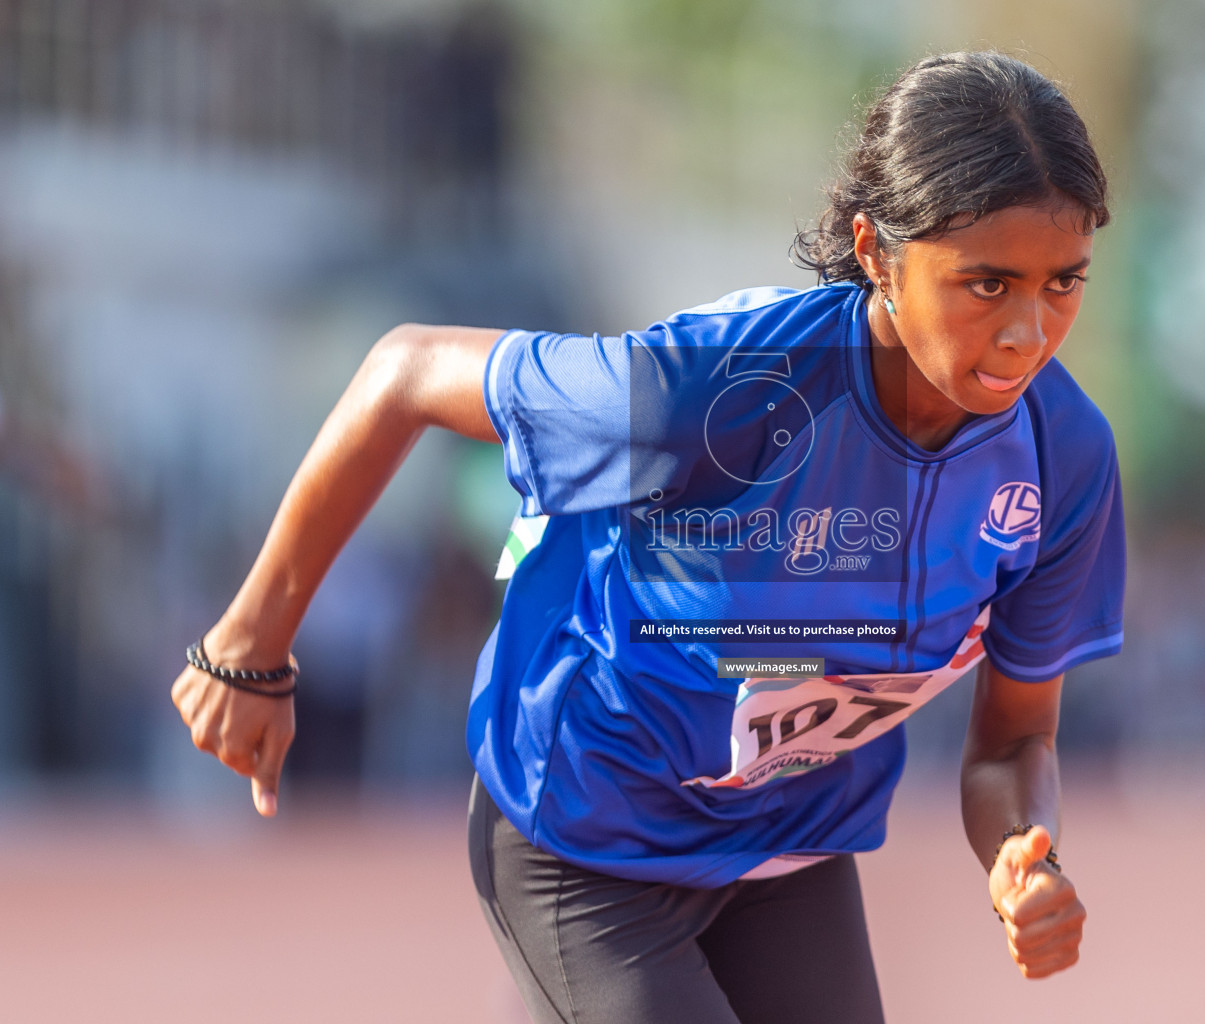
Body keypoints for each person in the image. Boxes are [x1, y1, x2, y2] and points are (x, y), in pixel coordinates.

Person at [170, 50, 1124, 1024]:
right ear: (876, 251)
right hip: (584, 835)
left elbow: (1013, 742)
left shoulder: (1061, 458)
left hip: (786, 844)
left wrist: (1025, 847)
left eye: (1062, 284)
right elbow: (405, 371)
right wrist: (251, 645)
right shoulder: (713, 393)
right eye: (987, 284)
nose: (1027, 333)